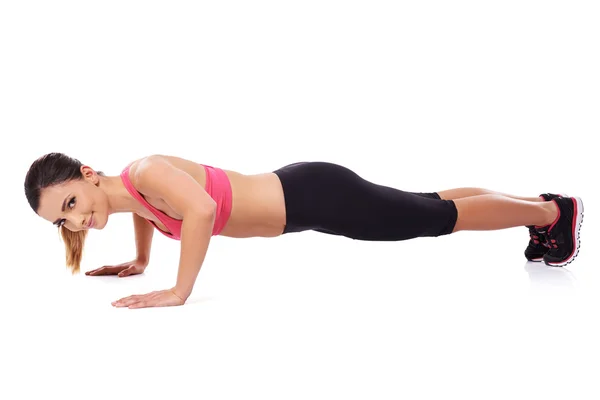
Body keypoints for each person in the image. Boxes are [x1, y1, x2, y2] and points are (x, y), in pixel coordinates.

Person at [24, 152, 584, 308]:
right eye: (63, 221)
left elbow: (197, 212)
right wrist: (141, 262)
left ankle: (551, 216)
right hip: (307, 194)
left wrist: (177, 291)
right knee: (424, 203)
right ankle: (541, 205)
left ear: (88, 174)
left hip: (316, 196)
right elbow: (150, 214)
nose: (76, 221)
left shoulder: (144, 171)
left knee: (434, 219)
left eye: (71, 202)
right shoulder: (131, 194)